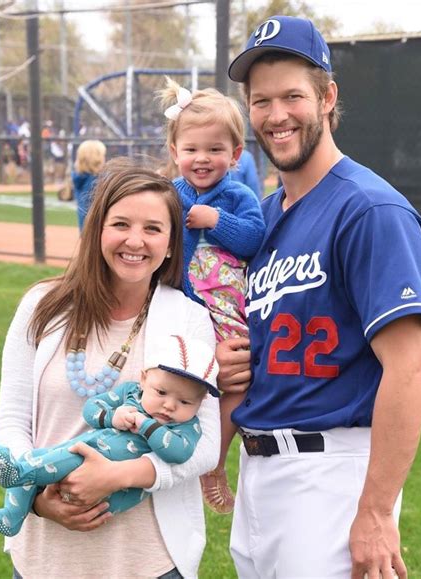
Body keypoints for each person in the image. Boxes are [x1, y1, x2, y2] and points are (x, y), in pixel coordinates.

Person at [218, 15, 421, 578]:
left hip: (333, 473)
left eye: (293, 95)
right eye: (261, 101)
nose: (276, 115)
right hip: (261, 471)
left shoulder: (369, 209)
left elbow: (409, 369)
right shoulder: (264, 217)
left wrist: (376, 511)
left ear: (328, 96)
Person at [0, 157, 219, 579]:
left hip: (146, 560)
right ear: (97, 229)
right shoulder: (42, 306)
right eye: (120, 224)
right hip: (46, 556)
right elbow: (11, 420)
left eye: (153, 228)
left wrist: (118, 476)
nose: (135, 240)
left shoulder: (188, 319)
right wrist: (39, 497)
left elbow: (204, 445)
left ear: (171, 244)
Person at [0, 334, 219, 538]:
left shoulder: (188, 427)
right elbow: (91, 409)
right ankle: (10, 517)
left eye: (185, 401)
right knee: (39, 459)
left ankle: (17, 473)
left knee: (39, 465)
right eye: (162, 392)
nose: (169, 406)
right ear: (144, 379)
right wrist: (113, 417)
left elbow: (179, 452)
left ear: (201, 402)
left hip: (111, 490)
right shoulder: (130, 394)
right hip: (83, 451)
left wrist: (145, 424)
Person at [159, 77, 266, 514]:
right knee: (185, 380)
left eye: (215, 150)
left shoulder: (237, 196)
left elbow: (254, 238)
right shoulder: (170, 195)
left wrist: (215, 219)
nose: (202, 159)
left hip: (228, 307)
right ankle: (175, 447)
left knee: (234, 380)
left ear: (235, 155)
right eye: (192, 149)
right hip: (187, 306)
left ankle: (215, 461)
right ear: (175, 152)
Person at [72, 139, 106, 231]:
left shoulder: (79, 177)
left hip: (84, 229)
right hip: (97, 229)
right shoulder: (97, 180)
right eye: (102, 156)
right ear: (96, 159)